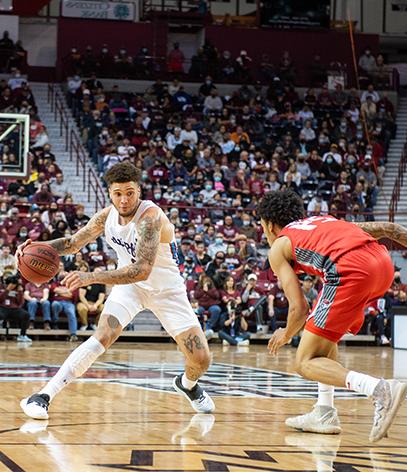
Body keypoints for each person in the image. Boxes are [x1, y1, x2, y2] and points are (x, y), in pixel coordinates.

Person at [19, 162, 214, 420]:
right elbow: (72, 243)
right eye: (118, 193)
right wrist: (34, 247)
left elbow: (142, 269)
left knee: (201, 360)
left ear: (139, 191)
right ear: (109, 192)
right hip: (130, 288)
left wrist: (90, 277)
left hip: (167, 291)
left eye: (130, 193)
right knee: (102, 337)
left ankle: (187, 385)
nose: (123, 200)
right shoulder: (105, 216)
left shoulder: (150, 218)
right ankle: (43, 396)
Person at [257, 190, 407, 442]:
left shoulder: (279, 245)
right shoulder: (325, 221)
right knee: (323, 337)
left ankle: (379, 389)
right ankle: (324, 411)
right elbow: (388, 228)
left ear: (270, 225)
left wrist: (286, 333)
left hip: (351, 271)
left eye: (262, 227)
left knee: (304, 361)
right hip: (382, 265)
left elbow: (298, 309)